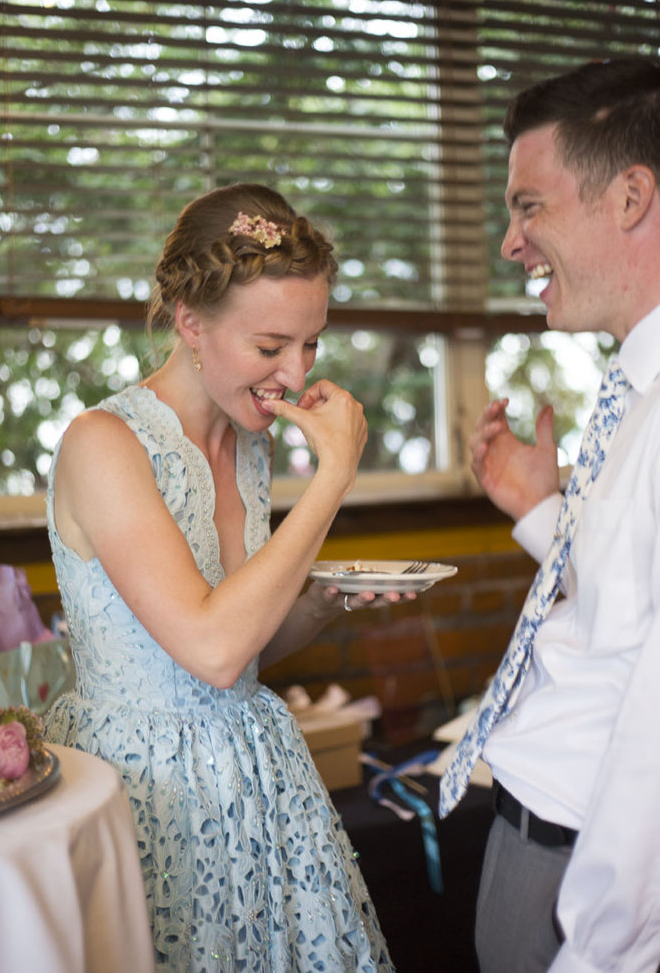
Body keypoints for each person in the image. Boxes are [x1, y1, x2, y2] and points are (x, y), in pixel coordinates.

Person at [44, 183, 409, 972]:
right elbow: (207, 649)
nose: (293, 372)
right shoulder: (103, 445)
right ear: (190, 323)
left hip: (254, 784)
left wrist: (320, 601)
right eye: (270, 345)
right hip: (144, 792)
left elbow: (241, 654)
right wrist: (334, 477)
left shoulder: (250, 444)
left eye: (311, 344)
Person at [441, 58, 660, 971]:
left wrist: (600, 948)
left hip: (586, 886)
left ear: (629, 196)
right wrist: (541, 511)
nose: (509, 243)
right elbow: (623, 609)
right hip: (537, 836)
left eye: (528, 206)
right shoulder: (632, 386)